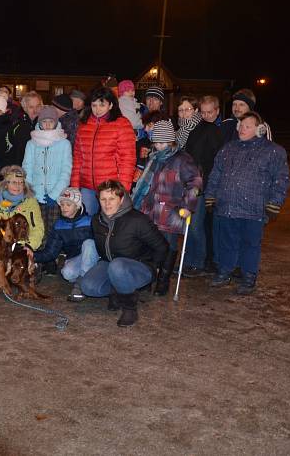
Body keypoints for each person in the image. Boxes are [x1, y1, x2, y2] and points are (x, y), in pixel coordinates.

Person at [205, 111, 290, 295]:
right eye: (241, 126)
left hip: (254, 209)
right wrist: (210, 196)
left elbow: (281, 179)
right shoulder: (228, 149)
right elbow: (215, 175)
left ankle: (248, 276)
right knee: (226, 242)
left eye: (248, 126)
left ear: (259, 130)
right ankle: (225, 271)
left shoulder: (273, 151)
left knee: (250, 244)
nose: (242, 129)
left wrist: (274, 203)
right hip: (227, 207)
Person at [81, 180, 169, 327]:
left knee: (117, 266)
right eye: (103, 199)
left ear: (121, 199)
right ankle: (117, 290)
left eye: (112, 199)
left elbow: (162, 246)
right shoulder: (97, 220)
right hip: (110, 263)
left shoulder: (137, 220)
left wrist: (155, 266)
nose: (107, 204)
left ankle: (129, 309)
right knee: (88, 286)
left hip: (140, 267)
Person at [131, 120, 202, 296]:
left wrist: (188, 206)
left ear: (171, 141)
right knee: (147, 245)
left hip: (171, 211)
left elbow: (195, 183)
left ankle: (163, 281)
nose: (159, 146)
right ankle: (147, 278)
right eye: (156, 142)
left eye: (162, 143)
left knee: (168, 246)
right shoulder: (153, 158)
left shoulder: (182, 160)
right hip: (149, 209)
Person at [70, 87, 136, 215]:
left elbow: (127, 159)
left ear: (111, 105)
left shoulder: (121, 124)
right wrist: (74, 185)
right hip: (87, 187)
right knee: (87, 222)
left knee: (111, 225)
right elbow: (78, 158)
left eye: (102, 105)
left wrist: (122, 189)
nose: (97, 109)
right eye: (94, 105)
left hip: (111, 187)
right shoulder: (83, 125)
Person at [182, 95, 224, 276]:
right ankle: (190, 260)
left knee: (196, 226)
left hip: (202, 185)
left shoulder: (215, 131)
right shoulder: (197, 129)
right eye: (204, 112)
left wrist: (205, 183)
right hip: (192, 182)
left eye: (210, 112)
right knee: (189, 225)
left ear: (217, 111)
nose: (207, 115)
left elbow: (216, 162)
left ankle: (198, 262)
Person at [33, 188, 97, 302]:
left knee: (89, 243)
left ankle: (81, 284)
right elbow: (51, 252)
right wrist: (32, 256)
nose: (64, 207)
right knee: (67, 274)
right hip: (75, 258)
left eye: (68, 204)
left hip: (93, 257)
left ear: (77, 206)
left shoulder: (91, 221)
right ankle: (87, 276)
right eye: (62, 204)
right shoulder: (59, 225)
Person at [23, 105, 72, 240]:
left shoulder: (64, 143)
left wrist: (55, 193)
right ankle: (37, 255)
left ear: (56, 122)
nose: (47, 124)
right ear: (40, 123)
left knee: (53, 228)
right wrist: (32, 191)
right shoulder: (31, 143)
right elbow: (27, 168)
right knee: (36, 227)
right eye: (44, 121)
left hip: (56, 195)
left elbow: (66, 171)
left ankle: (52, 257)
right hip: (36, 194)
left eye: (51, 121)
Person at [0, 165, 44, 251]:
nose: (18, 186)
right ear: (6, 184)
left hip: (21, 246)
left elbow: (37, 228)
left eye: (21, 183)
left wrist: (28, 246)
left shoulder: (31, 202)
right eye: (14, 182)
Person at [7, 91, 43, 167]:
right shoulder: (17, 127)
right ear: (25, 108)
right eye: (31, 107)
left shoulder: (47, 125)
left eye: (38, 106)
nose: (35, 110)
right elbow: (13, 153)